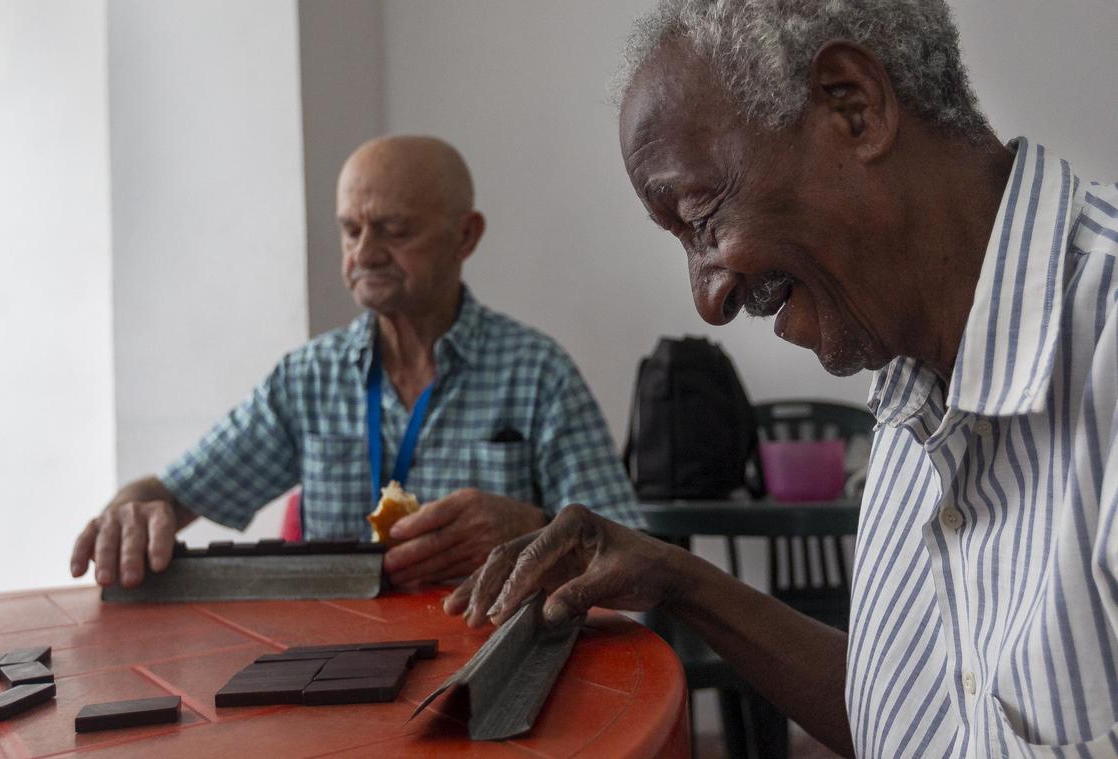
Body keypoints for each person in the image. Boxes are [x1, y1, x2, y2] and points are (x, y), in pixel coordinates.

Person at [446, 2, 1118, 757]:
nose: (709, 297)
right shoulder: (911, 371)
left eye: (702, 217)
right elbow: (913, 717)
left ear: (852, 106)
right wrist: (680, 579)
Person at [70, 135, 641, 591]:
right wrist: (132, 508)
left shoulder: (536, 374)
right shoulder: (308, 380)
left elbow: (633, 556)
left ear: (465, 236)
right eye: (350, 230)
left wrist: (536, 530)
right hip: (339, 662)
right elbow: (173, 492)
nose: (365, 254)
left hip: (490, 657)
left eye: (395, 231)